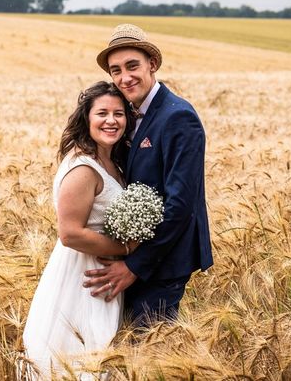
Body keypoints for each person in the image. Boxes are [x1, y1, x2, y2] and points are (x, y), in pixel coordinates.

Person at [83, 24, 213, 327]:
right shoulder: (128, 113)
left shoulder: (178, 116)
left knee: (150, 353)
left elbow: (181, 205)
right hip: (135, 256)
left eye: (132, 66)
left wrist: (134, 266)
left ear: (151, 65)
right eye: (116, 71)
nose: (124, 78)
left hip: (163, 263)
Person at [21, 81, 136, 378]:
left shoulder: (110, 161)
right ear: (87, 118)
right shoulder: (84, 167)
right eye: (102, 113)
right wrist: (126, 250)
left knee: (95, 356)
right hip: (83, 277)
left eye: (119, 114)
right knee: (78, 356)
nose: (111, 121)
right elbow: (69, 233)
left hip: (102, 273)